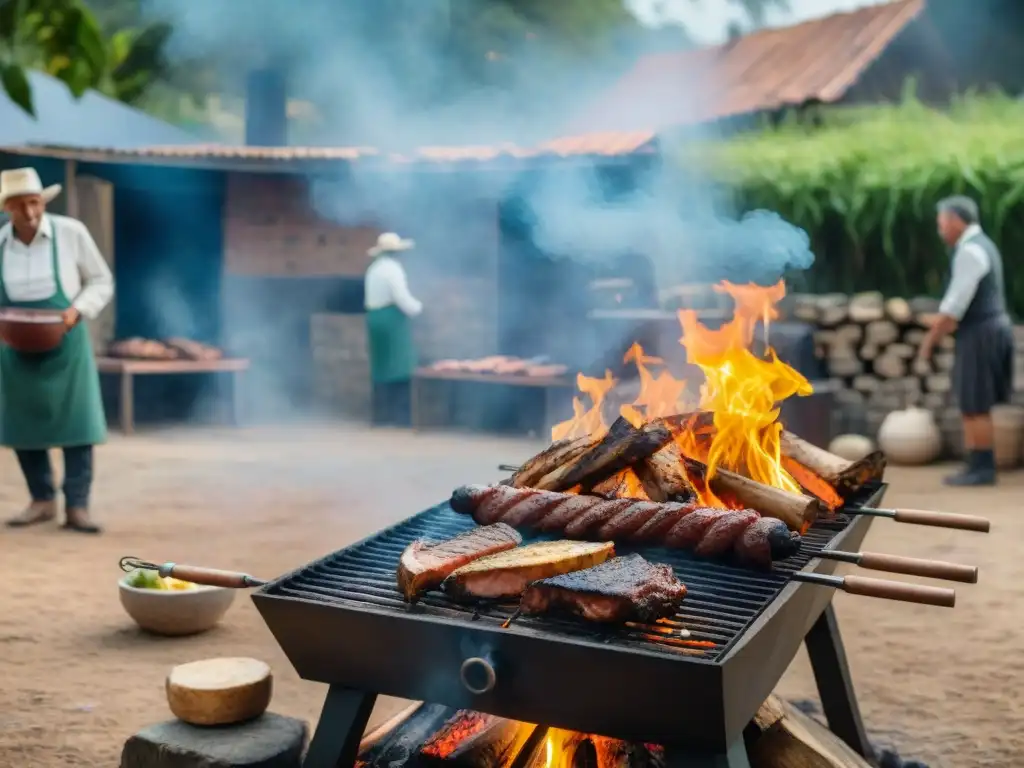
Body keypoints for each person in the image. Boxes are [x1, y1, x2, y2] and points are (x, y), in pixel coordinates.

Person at [0, 167, 114, 531]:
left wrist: (76, 310)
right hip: (15, 346)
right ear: (7, 209)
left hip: (66, 339)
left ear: (42, 201)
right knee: (23, 424)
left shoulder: (70, 233)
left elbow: (101, 279)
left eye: (34, 203)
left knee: (78, 425)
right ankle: (42, 500)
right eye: (20, 207)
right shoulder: (0, 243)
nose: (30, 213)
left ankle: (77, 506)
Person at [918, 195, 1013, 486]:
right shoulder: (982, 245)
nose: (940, 230)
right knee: (973, 400)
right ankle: (976, 465)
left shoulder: (969, 251)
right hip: (985, 329)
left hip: (980, 332)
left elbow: (953, 308)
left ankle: (982, 469)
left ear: (956, 221)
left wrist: (928, 343)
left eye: (941, 223)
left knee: (975, 401)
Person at [363, 231, 422, 426]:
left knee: (380, 368)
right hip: (391, 320)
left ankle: (380, 417)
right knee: (401, 368)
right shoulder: (393, 269)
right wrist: (419, 309)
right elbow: (401, 297)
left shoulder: (374, 268)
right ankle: (402, 417)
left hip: (374, 319)